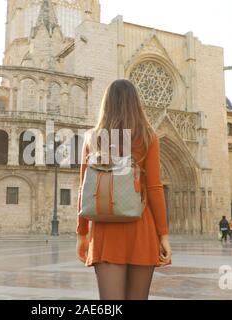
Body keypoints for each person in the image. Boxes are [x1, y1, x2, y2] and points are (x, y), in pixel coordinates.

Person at [76, 79, 172, 300]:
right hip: (141, 227)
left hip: (105, 230)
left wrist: (81, 233)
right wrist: (163, 235)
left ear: (106, 104)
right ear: (135, 103)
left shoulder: (93, 138)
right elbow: (155, 188)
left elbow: (84, 189)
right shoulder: (148, 137)